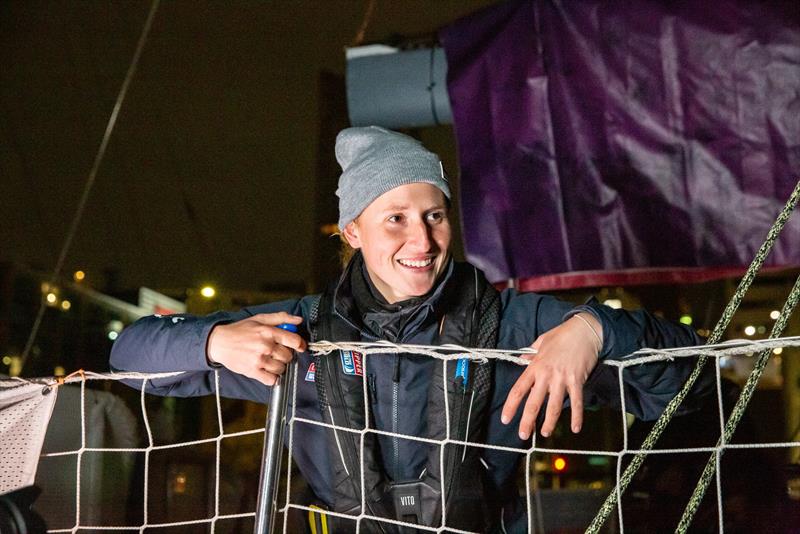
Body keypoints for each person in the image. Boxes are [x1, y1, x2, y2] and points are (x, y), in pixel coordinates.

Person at [110, 126, 710, 533]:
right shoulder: (299, 332)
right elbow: (127, 354)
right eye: (394, 218)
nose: (421, 241)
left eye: (434, 215)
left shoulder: (514, 324)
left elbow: (693, 381)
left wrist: (596, 329)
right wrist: (214, 342)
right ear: (352, 232)